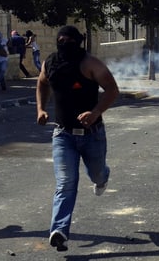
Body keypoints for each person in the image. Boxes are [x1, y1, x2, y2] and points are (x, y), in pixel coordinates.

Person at [36, 25, 119, 252]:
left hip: (92, 135)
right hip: (63, 135)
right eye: (61, 39)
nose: (64, 42)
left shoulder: (91, 64)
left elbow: (112, 90)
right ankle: (59, 231)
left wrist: (94, 113)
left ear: (78, 42)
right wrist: (41, 109)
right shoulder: (50, 63)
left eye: (69, 40)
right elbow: (42, 83)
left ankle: (103, 177)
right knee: (66, 183)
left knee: (97, 173)